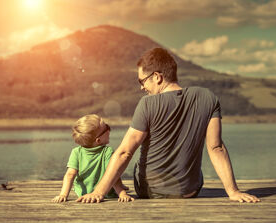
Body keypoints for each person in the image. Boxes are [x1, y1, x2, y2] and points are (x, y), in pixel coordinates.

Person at [76, 48, 260, 203]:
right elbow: (216, 147)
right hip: (189, 191)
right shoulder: (207, 97)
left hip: (150, 191)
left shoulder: (147, 104)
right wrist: (233, 192)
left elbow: (125, 152)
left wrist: (98, 192)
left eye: (142, 81)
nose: (141, 87)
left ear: (157, 77)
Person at [52, 114, 133, 203]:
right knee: (114, 173)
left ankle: (121, 186)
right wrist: (122, 193)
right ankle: (120, 187)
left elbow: (70, 175)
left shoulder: (76, 152)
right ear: (98, 140)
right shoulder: (107, 151)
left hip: (82, 193)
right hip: (106, 193)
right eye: (106, 128)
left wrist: (63, 195)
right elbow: (113, 175)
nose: (109, 129)